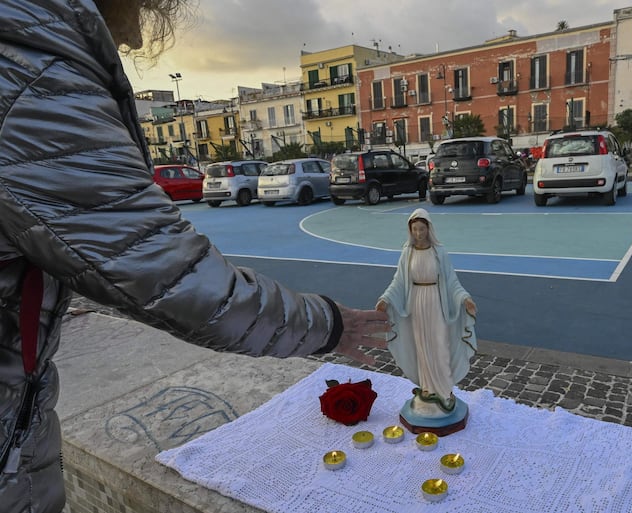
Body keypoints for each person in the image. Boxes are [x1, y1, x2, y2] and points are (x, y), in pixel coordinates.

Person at [0, 1, 387, 512]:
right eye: (141, 8)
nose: (136, 37)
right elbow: (173, 278)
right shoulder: (31, 72)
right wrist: (329, 325)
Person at [376, 208, 477, 418]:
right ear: (410, 230)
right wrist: (386, 299)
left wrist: (464, 298)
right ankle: (428, 389)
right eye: (415, 229)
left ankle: (443, 390)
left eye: (422, 229)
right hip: (416, 305)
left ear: (429, 229)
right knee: (421, 347)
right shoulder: (408, 253)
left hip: (435, 303)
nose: (419, 233)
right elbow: (399, 281)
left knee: (440, 346)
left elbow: (451, 281)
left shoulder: (439, 252)